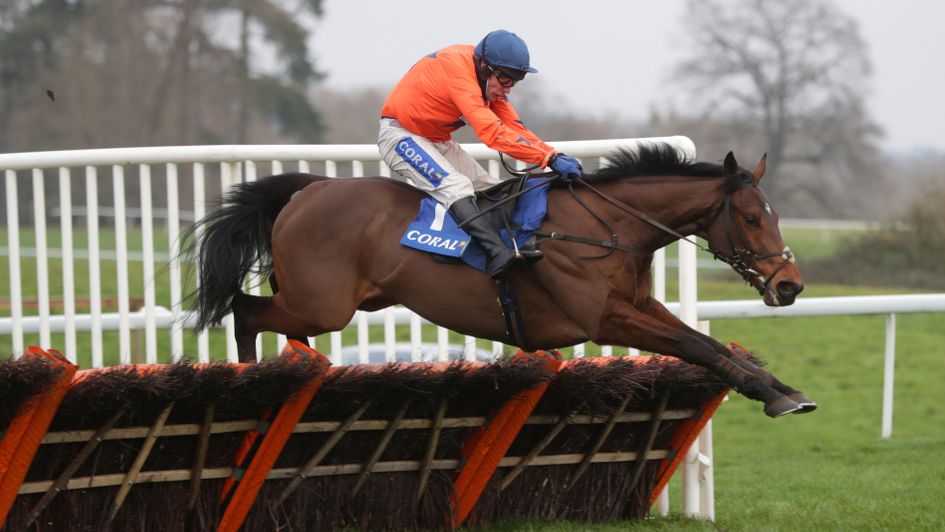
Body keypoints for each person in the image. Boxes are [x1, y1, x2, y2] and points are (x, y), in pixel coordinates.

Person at [378, 29, 583, 279]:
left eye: (514, 83)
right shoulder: (460, 75)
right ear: (485, 67)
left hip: (436, 140)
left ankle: (511, 243)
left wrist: (553, 153)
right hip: (400, 135)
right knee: (458, 187)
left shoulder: (484, 76)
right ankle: (496, 255)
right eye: (505, 81)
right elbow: (491, 133)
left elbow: (514, 128)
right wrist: (548, 159)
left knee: (490, 187)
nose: (508, 90)